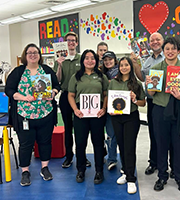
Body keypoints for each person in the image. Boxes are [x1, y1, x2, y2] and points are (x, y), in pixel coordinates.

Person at [146, 37, 180, 192]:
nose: (170, 51)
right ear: (163, 50)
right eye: (167, 48)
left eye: (173, 48)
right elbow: (150, 93)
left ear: (178, 51)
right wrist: (150, 85)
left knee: (178, 145)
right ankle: (162, 176)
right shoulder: (156, 69)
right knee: (161, 144)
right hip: (160, 110)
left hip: (179, 110)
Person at [5, 43, 60, 186]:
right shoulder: (18, 72)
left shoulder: (46, 70)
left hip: (45, 113)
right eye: (29, 53)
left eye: (35, 52)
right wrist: (23, 97)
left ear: (39, 55)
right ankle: (25, 171)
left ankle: (45, 168)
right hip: (25, 115)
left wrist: (53, 93)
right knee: (25, 144)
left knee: (45, 142)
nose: (33, 55)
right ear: (25, 55)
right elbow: (9, 90)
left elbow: (56, 86)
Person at [131, 32, 174, 177]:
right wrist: (135, 64)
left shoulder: (172, 57)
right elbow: (141, 77)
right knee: (155, 133)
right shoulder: (147, 59)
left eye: (158, 39)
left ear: (163, 41)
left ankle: (174, 165)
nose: (155, 42)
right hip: (152, 101)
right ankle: (154, 162)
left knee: (172, 135)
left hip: (169, 101)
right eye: (152, 40)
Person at [68, 49, 108, 184]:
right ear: (83, 60)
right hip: (81, 114)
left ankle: (99, 171)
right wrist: (75, 110)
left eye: (92, 58)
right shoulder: (76, 76)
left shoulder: (101, 76)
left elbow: (106, 94)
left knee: (98, 143)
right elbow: (71, 95)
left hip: (97, 114)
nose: (90, 60)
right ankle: (80, 170)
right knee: (80, 143)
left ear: (96, 61)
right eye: (87, 58)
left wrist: (104, 108)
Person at [53, 32, 91, 168]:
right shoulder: (59, 60)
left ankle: (83, 157)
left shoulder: (82, 59)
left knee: (81, 129)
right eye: (68, 40)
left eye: (73, 40)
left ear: (77, 43)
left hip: (80, 97)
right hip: (65, 96)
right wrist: (59, 66)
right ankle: (69, 157)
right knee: (68, 128)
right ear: (64, 43)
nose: (71, 43)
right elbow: (56, 80)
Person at [108, 57, 146, 194]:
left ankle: (131, 179)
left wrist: (135, 99)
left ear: (130, 67)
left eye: (126, 65)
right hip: (116, 119)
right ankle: (125, 171)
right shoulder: (113, 83)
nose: (124, 67)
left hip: (131, 117)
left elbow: (143, 103)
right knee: (122, 146)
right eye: (121, 65)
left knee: (129, 147)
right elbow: (110, 99)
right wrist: (110, 110)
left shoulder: (136, 84)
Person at [101, 51, 119, 170]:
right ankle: (111, 158)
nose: (108, 62)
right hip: (105, 107)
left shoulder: (120, 71)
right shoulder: (101, 73)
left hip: (119, 107)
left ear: (115, 60)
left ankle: (118, 159)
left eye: (110, 59)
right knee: (110, 135)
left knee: (119, 135)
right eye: (105, 60)